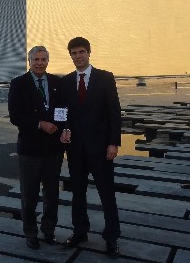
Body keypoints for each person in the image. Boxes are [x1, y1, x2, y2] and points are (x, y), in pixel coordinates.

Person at [60, 36, 122, 258]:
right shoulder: (66, 82)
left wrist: (113, 142)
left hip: (101, 148)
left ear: (89, 52)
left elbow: (114, 113)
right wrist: (64, 128)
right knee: (78, 193)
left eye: (81, 52)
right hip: (75, 149)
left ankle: (112, 237)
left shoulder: (105, 78)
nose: (78, 56)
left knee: (107, 194)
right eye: (74, 53)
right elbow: (63, 111)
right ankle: (80, 231)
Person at [8, 45, 66, 250]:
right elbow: (15, 116)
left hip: (53, 148)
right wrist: (40, 124)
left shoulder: (57, 82)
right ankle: (30, 232)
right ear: (29, 61)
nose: (39, 63)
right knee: (29, 194)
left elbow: (63, 110)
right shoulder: (18, 84)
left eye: (43, 59)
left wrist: (64, 129)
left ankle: (49, 230)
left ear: (48, 61)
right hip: (30, 149)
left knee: (52, 194)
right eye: (36, 59)